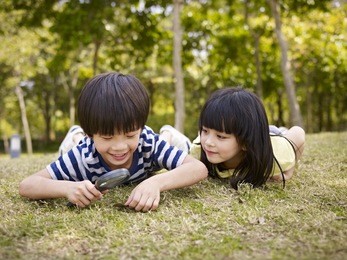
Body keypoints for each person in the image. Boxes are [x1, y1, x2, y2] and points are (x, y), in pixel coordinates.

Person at [19, 72, 208, 212]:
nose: (120, 147)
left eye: (130, 135)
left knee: (179, 146)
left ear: (140, 129)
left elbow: (198, 168)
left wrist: (156, 182)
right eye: (108, 137)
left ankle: (166, 134)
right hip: (79, 144)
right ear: (91, 135)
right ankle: (75, 134)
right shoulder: (82, 156)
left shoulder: (147, 141)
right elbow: (27, 185)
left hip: (153, 143)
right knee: (71, 146)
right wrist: (67, 188)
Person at [160, 87, 305, 189]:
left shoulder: (276, 155)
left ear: (245, 142)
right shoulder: (199, 152)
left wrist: (288, 171)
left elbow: (298, 133)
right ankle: (168, 132)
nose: (208, 142)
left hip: (271, 134)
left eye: (221, 136)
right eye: (204, 130)